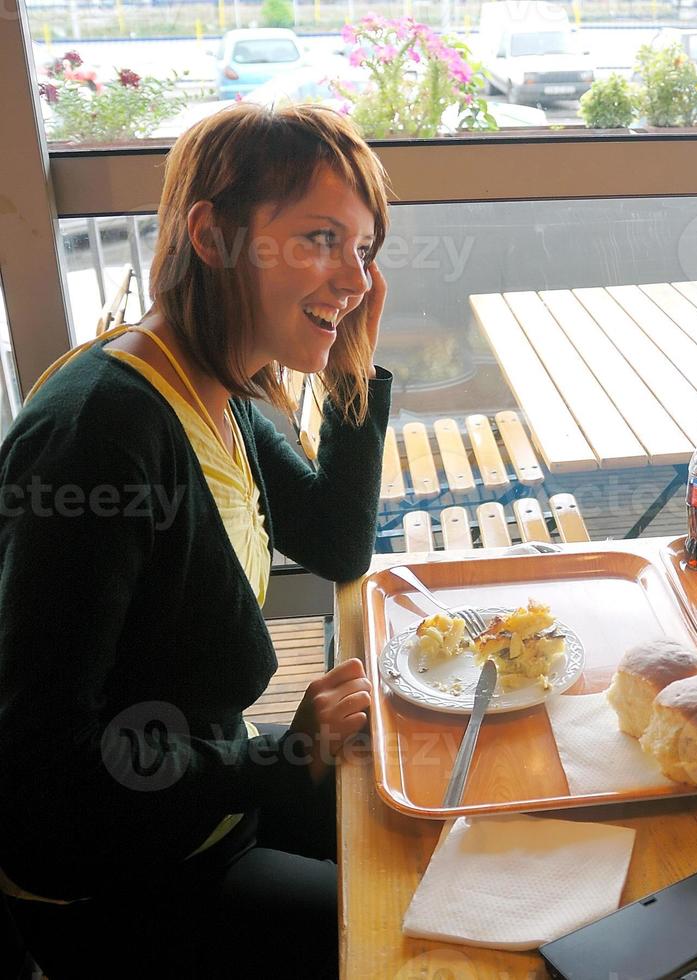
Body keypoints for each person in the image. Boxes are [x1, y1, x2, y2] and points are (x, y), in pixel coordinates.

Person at [0, 103, 393, 977]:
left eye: (364, 250)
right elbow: (43, 767)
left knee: (434, 834)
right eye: (322, 238)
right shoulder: (103, 432)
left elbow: (335, 543)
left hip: (211, 806)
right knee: (417, 934)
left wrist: (351, 365)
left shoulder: (220, 385)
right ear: (213, 235)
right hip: (129, 881)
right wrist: (278, 754)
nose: (358, 278)